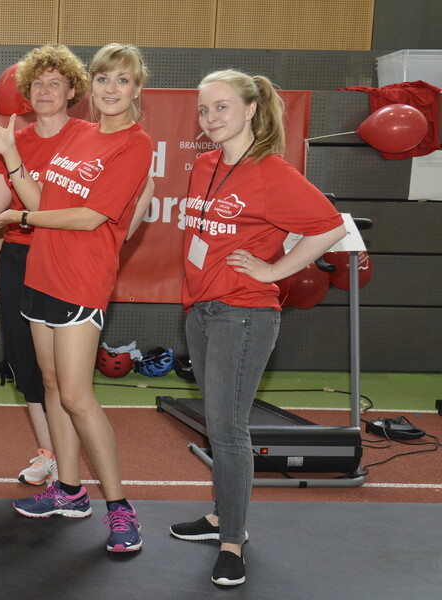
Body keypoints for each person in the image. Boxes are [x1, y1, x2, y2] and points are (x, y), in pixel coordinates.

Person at [0, 43, 153, 553]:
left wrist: (17, 220)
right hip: (40, 274)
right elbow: (43, 200)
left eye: (122, 81)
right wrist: (11, 157)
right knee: (52, 385)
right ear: (90, 87)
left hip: (80, 278)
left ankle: (120, 507)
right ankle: (70, 491)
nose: (111, 90)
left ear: (137, 89)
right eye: (103, 80)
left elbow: (89, 217)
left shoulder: (136, 145)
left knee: (76, 395)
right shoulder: (83, 137)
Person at [169, 70, 345, 586]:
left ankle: (233, 543)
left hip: (244, 312)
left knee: (227, 431)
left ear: (250, 110)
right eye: (204, 110)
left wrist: (272, 269)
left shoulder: (271, 171)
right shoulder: (204, 165)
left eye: (222, 108)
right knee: (217, 423)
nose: (211, 119)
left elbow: (330, 225)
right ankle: (221, 516)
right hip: (200, 309)